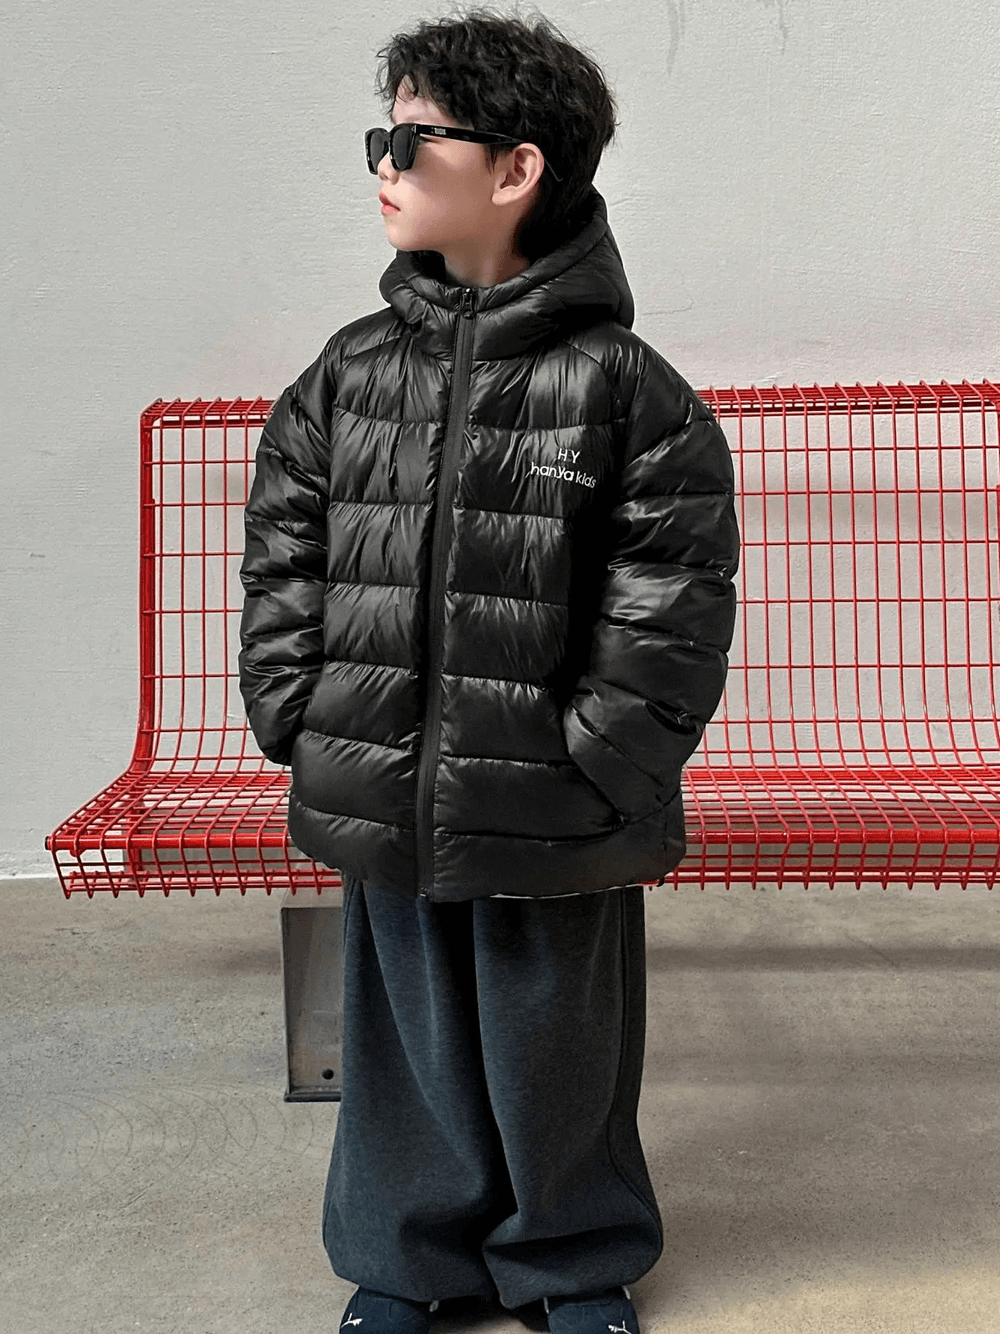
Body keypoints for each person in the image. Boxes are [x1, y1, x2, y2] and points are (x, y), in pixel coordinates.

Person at [238, 8, 739, 1333]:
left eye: (413, 138)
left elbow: (673, 594)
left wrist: (603, 759)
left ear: (516, 170)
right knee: (406, 1040)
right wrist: (297, 711)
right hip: (381, 777)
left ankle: (573, 1257)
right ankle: (407, 1255)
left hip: (555, 798)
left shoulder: (626, 389)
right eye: (380, 136)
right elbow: (285, 548)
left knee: (556, 1043)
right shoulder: (349, 374)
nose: (383, 163)